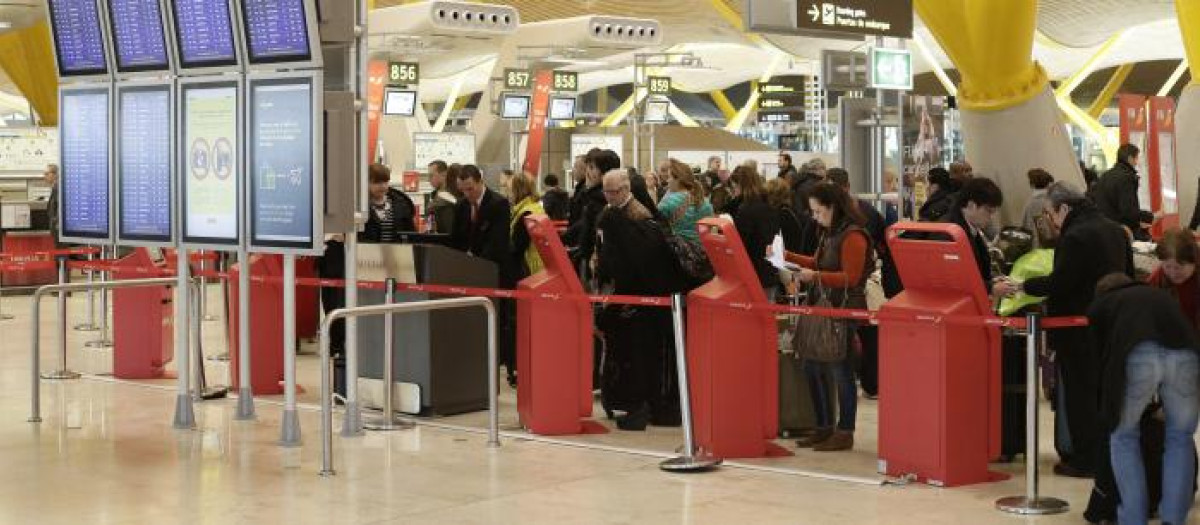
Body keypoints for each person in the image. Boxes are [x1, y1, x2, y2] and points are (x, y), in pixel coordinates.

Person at [1020, 181, 1134, 478]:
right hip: (1112, 325)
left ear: (1065, 208)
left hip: (1077, 330)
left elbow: (1061, 283)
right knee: (1104, 394)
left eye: (1050, 213)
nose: (1050, 220)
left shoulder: (1074, 237)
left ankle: (1085, 459)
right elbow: (1130, 277)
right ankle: (1107, 456)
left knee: (1080, 397)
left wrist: (1023, 286)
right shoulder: (1116, 231)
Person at [1087, 273, 1199, 525]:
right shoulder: (1161, 294)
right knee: (1180, 439)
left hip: (1137, 354)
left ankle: (1133, 519)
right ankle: (1173, 519)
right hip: (1187, 356)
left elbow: (1100, 359)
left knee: (1123, 436)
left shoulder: (1102, 304)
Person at [594, 168, 686, 430]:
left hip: (642, 300)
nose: (609, 196)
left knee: (641, 356)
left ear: (626, 190)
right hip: (628, 296)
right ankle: (632, 403)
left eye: (613, 191)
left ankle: (642, 406)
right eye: (606, 191)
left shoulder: (639, 217)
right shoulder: (616, 215)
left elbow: (641, 262)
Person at [784, 183, 873, 452]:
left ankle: (844, 430)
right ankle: (824, 426)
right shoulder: (830, 232)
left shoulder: (853, 236)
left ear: (833, 207)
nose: (815, 217)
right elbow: (818, 262)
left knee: (840, 370)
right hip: (825, 307)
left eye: (818, 211)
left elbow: (851, 277)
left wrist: (816, 276)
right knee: (813, 366)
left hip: (842, 309)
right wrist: (786, 256)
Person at [827, 167, 892, 398]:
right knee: (865, 338)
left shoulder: (853, 225)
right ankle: (871, 382)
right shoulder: (863, 214)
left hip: (860, 290)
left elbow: (851, 273)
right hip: (859, 289)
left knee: (866, 337)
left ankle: (872, 382)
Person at [449, 164, 517, 384]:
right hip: (468, 273)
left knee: (499, 318)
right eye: (462, 190)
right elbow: (456, 240)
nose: (467, 194)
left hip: (495, 272)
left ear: (480, 181)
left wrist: (474, 263)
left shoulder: (499, 204)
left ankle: (501, 360)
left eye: (470, 189)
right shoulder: (460, 207)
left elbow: (497, 244)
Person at [942, 177, 1020, 298]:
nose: (991, 217)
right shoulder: (948, 233)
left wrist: (991, 281)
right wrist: (990, 288)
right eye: (989, 211)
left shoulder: (969, 227)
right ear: (971, 205)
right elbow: (952, 278)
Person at [726, 165, 781, 298]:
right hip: (769, 269)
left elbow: (741, 244)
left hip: (753, 272)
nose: (734, 192)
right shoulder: (769, 203)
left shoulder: (745, 210)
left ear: (742, 186)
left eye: (735, 188)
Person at [1148, 228, 1200, 330]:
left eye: (1179, 267)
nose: (1173, 273)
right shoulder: (1158, 278)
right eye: (1167, 266)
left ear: (1194, 262)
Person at [1091, 143, 1146, 237]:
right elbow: (1128, 212)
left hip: (1103, 228)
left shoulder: (1105, 175)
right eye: (1136, 158)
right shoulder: (1127, 178)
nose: (1137, 162)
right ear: (1130, 158)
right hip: (1120, 231)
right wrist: (1148, 217)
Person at [657, 159, 713, 244]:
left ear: (678, 180)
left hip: (678, 251)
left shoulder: (668, 202)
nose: (667, 181)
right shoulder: (705, 201)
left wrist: (667, 194)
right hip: (702, 251)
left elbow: (655, 224)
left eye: (669, 177)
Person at [362, 163, 417, 242]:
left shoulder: (401, 204)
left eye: (385, 182)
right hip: (368, 252)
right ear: (366, 183)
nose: (383, 186)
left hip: (396, 252)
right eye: (377, 182)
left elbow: (411, 234)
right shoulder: (359, 206)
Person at [508, 174, 545, 279]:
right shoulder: (535, 207)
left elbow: (518, 246)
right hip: (537, 265)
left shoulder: (526, 213)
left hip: (528, 268)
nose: (508, 194)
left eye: (510, 190)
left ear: (518, 191)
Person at [1021, 168, 1055, 248]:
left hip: (1035, 251)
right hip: (1053, 248)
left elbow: (1024, 229)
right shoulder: (1053, 201)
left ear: (1032, 185)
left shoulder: (1029, 205)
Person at [426, 160, 457, 234]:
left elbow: (449, 230)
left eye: (431, 175)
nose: (429, 179)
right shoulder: (434, 195)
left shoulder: (449, 199)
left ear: (443, 175)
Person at [42, 164, 58, 241]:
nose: (44, 176)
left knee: (61, 251)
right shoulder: (55, 187)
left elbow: (59, 208)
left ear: (55, 174)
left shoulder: (57, 188)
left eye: (46, 174)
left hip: (58, 229)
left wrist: (55, 224)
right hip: (56, 228)